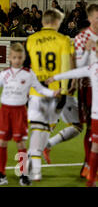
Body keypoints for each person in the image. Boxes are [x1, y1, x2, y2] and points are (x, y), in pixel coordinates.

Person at [0, 43, 59, 186]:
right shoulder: (4, 73)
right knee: (2, 142)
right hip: (5, 111)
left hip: (19, 112)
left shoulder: (29, 74)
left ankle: (23, 175)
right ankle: (2, 174)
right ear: (9, 58)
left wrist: (52, 93)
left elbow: (40, 89)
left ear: (24, 57)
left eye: (19, 57)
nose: (17, 60)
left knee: (20, 142)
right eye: (14, 57)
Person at [25, 9, 72, 181]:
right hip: (55, 92)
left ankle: (28, 167)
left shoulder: (31, 40)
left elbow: (26, 67)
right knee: (42, 133)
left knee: (38, 132)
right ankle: (33, 171)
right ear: (55, 22)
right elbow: (66, 69)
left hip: (35, 92)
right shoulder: (63, 40)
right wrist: (64, 93)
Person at [45, 40, 98, 187]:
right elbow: (75, 71)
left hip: (56, 95)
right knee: (80, 130)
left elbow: (75, 72)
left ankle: (90, 174)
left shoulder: (89, 66)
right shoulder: (89, 65)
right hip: (62, 96)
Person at [74, 3, 98, 179]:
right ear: (89, 18)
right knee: (91, 127)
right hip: (89, 86)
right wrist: (88, 50)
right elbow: (79, 65)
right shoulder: (81, 37)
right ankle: (88, 164)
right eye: (96, 17)